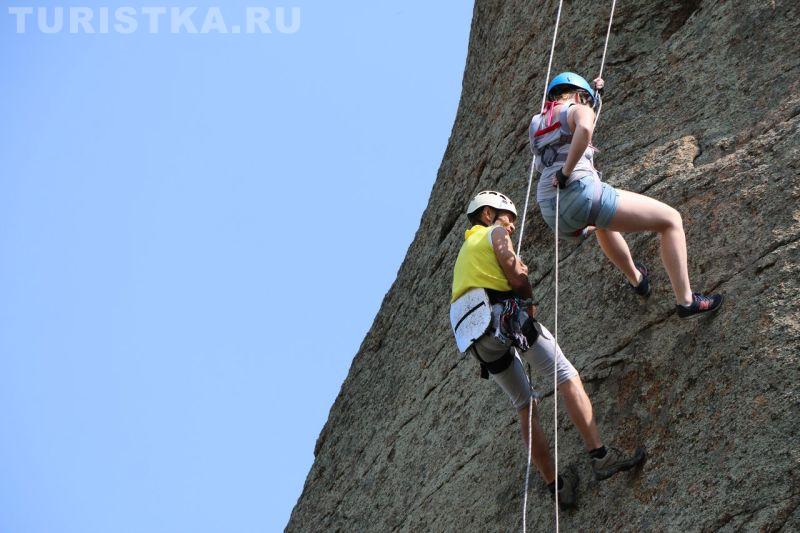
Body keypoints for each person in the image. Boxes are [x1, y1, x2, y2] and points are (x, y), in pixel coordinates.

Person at [449, 190, 645, 509]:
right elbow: (514, 271)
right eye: (506, 218)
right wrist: (527, 295)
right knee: (565, 375)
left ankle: (554, 486)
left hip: (475, 338)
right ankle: (601, 456)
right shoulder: (493, 233)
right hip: (505, 317)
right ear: (487, 215)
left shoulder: (463, 255)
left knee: (524, 404)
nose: (510, 227)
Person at [529, 72, 723, 318]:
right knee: (671, 220)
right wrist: (567, 172)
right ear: (578, 95)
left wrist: (594, 100)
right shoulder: (578, 108)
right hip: (579, 193)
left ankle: (637, 278)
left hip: (552, 211)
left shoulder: (537, 122)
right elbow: (585, 127)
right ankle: (686, 301)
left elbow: (551, 150)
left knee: (601, 222)